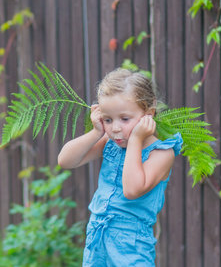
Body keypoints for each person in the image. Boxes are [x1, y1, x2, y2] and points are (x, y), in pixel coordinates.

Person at [57, 68, 183, 266]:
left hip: (131, 244)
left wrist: (135, 140)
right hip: (97, 236)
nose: (115, 127)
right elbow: (65, 160)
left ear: (148, 114)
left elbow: (132, 190)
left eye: (124, 119)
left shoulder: (161, 153)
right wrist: (96, 133)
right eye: (108, 119)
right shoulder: (110, 140)